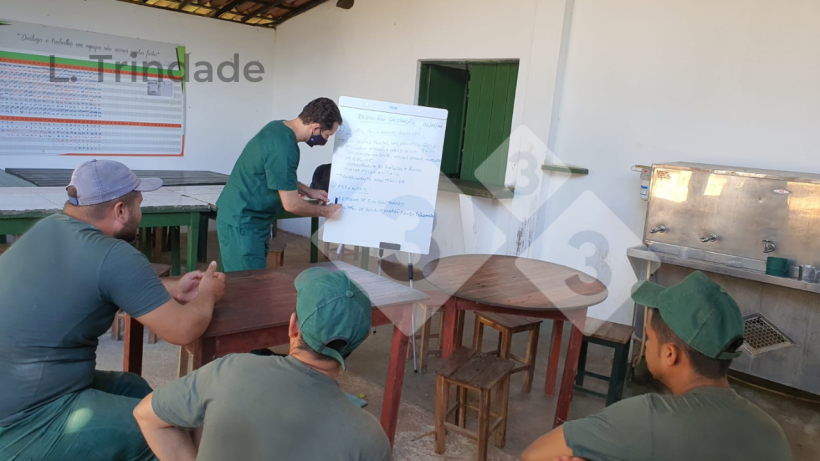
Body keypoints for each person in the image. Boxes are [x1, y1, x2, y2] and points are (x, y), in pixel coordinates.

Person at [0, 160, 226, 461]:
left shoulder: (50, 227)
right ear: (120, 210)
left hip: (19, 392)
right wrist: (208, 294)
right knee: (163, 434)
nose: (141, 214)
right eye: (139, 204)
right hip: (25, 420)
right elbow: (184, 329)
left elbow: (96, 283)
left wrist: (173, 288)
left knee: (135, 388)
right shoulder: (113, 255)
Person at [522, 271, 793, 461]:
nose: (646, 345)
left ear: (670, 355)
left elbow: (533, 456)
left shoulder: (645, 419)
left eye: (649, 339)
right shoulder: (773, 434)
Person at [133, 267, 391, 461]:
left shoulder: (230, 372)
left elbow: (145, 415)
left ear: (292, 327)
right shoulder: (369, 438)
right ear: (364, 338)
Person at [216, 97, 344, 272]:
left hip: (249, 219)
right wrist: (326, 211)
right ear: (315, 127)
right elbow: (291, 204)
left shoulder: (278, 127)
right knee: (246, 286)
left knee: (253, 279)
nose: (326, 141)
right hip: (243, 222)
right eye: (327, 135)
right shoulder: (285, 148)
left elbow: (279, 174)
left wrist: (309, 191)